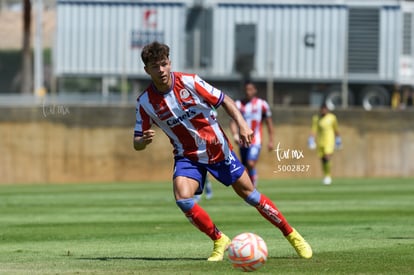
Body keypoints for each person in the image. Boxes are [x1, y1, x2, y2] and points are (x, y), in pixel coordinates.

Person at [133, 42, 312, 261]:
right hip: (187, 156)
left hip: (218, 150)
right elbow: (137, 142)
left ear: (170, 63)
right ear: (146, 70)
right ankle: (219, 239)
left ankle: (292, 235)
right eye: (154, 66)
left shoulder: (190, 82)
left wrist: (243, 124)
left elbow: (224, 100)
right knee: (183, 198)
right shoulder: (144, 102)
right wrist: (143, 140)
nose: (160, 70)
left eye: (163, 64)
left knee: (251, 195)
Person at [230, 81, 274, 187]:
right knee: (245, 166)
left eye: (250, 89)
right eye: (246, 89)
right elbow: (232, 122)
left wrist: (271, 141)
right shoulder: (238, 105)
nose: (248, 92)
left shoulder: (262, 104)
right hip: (243, 141)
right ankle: (249, 187)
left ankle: (253, 187)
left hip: (256, 140)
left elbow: (269, 124)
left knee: (250, 163)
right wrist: (235, 135)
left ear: (255, 90)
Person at [308, 103, 341, 185]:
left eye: (325, 109)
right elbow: (314, 129)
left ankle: (328, 176)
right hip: (320, 141)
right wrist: (311, 139)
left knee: (327, 157)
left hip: (329, 140)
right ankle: (326, 175)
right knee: (323, 159)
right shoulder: (316, 118)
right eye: (322, 109)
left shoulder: (332, 118)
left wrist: (338, 139)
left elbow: (336, 129)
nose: (323, 111)